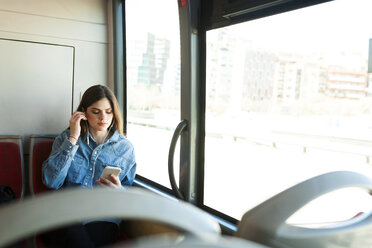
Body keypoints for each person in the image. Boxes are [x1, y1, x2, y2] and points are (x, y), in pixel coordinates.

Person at [41, 84, 136, 247]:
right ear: (83, 112)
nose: (103, 118)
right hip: (66, 214)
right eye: (96, 112)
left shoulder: (125, 148)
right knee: (71, 230)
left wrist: (119, 191)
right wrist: (73, 138)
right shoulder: (66, 138)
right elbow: (51, 181)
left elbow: (129, 192)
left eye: (108, 112)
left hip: (102, 216)